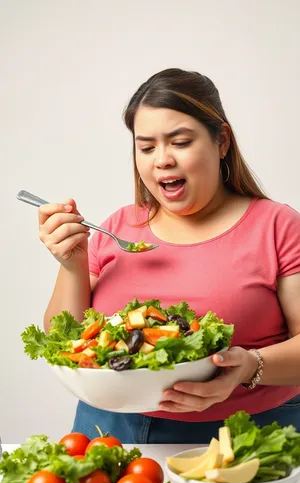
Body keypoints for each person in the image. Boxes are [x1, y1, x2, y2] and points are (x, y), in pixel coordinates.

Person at [38, 68, 300, 443]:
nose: (161, 160)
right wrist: (73, 264)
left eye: (179, 142)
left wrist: (249, 366)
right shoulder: (117, 227)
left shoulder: (277, 226)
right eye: (146, 147)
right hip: (112, 431)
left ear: (221, 141)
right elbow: (66, 342)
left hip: (247, 433)